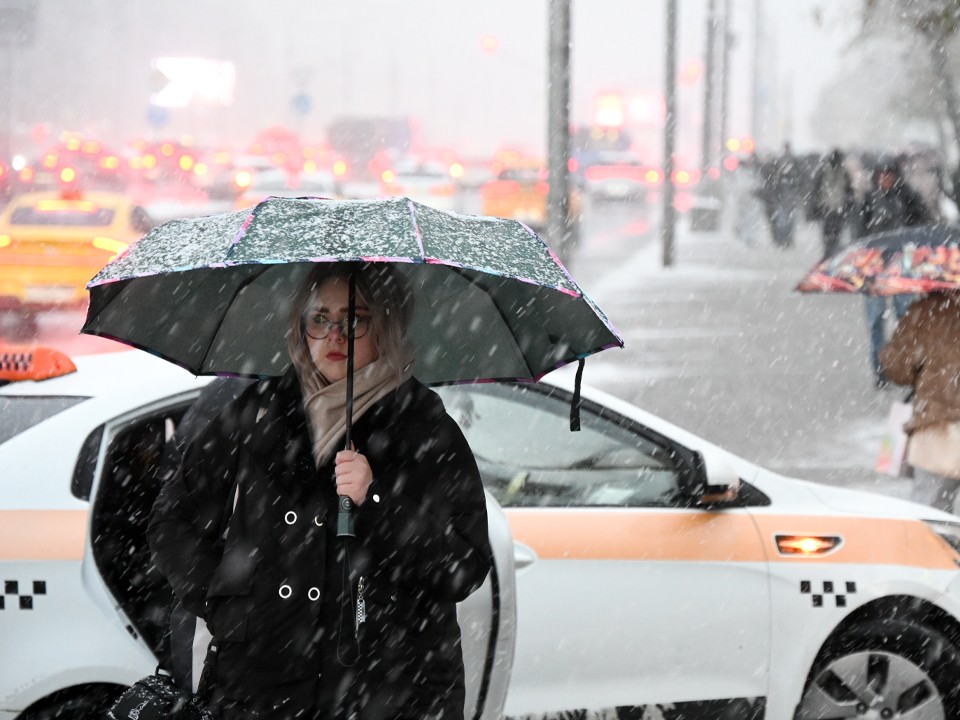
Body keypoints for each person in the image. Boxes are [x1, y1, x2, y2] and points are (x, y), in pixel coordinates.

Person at [148, 262, 493, 720]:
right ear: (300, 325)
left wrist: (376, 501)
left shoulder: (426, 430)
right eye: (319, 319)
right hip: (261, 687)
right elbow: (173, 520)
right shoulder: (257, 413)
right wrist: (228, 607)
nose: (334, 336)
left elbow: (463, 568)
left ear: (386, 325)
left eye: (354, 320)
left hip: (388, 690)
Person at [880, 291, 960, 513]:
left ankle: (933, 547)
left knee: (930, 511)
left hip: (937, 427)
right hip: (939, 423)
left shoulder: (927, 310)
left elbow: (898, 369)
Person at [859, 156, 931, 388]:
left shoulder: (907, 197)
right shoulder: (869, 199)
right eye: (881, 173)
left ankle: (908, 369)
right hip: (875, 268)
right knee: (876, 321)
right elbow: (859, 231)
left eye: (889, 173)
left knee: (906, 319)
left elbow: (925, 224)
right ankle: (881, 372)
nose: (885, 178)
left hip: (903, 267)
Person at [810, 148, 854, 261]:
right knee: (830, 234)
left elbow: (849, 192)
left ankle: (831, 254)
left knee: (833, 234)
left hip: (834, 208)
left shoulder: (840, 173)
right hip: (830, 208)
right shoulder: (831, 172)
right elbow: (816, 191)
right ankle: (830, 254)